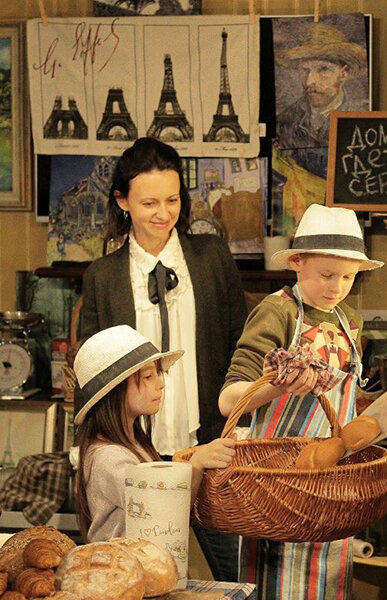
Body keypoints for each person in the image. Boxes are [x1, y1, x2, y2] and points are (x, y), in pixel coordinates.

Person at [79, 137, 248, 581]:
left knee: (238, 574)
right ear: (122, 201)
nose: (163, 213)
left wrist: (241, 424)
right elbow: (92, 369)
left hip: (209, 446)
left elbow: (240, 344)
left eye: (172, 200)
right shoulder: (103, 276)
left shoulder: (211, 258)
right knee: (143, 578)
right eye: (149, 202)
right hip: (137, 456)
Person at [219, 203, 383, 600]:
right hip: (278, 483)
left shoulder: (350, 321)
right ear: (296, 262)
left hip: (331, 484)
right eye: (326, 275)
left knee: (329, 581)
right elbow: (229, 399)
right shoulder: (277, 312)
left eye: (348, 277)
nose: (336, 287)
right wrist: (281, 384)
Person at [72, 325, 235, 542]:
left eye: (157, 374)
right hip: (125, 563)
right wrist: (195, 465)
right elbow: (162, 513)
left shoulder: (134, 444)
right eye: (148, 376)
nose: (160, 384)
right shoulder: (109, 458)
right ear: (114, 389)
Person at [275, 23, 368, 157]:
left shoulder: (361, 118)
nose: (309, 81)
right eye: (304, 70)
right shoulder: (284, 121)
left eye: (323, 69)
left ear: (343, 73)